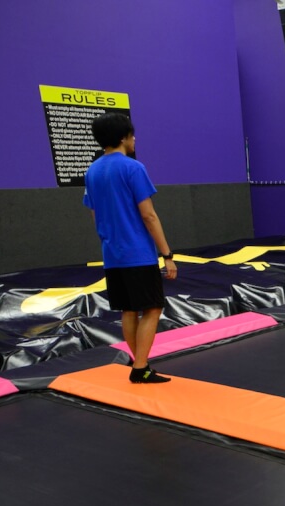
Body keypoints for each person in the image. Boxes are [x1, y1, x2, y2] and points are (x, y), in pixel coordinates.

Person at [83, 111, 177, 383]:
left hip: (113, 254)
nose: (135, 139)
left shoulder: (92, 171)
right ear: (123, 137)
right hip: (137, 253)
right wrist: (167, 254)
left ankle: (140, 365)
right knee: (153, 308)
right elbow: (149, 215)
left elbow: (94, 215)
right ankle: (140, 366)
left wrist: (109, 240)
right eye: (132, 135)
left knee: (129, 310)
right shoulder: (133, 168)